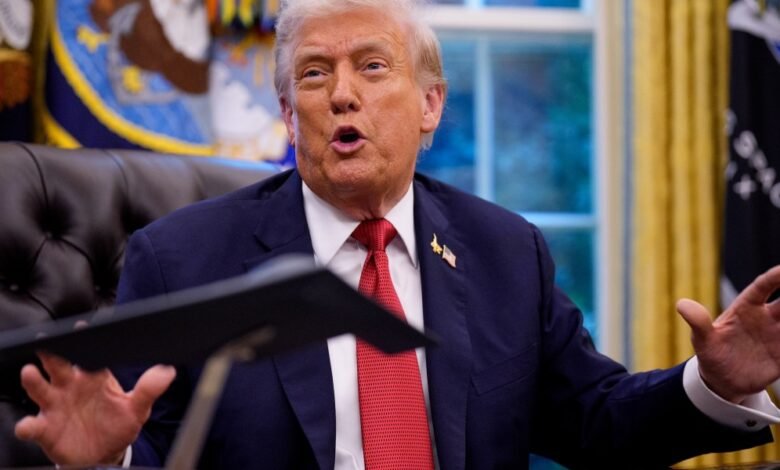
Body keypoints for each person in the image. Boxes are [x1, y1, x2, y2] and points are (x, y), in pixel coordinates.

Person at [14, 0, 780, 468]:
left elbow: (598, 423)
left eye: (372, 67)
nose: (341, 95)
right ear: (289, 117)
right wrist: (110, 458)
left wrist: (714, 384)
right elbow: (155, 451)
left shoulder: (506, 252)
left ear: (430, 105)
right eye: (314, 75)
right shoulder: (182, 258)